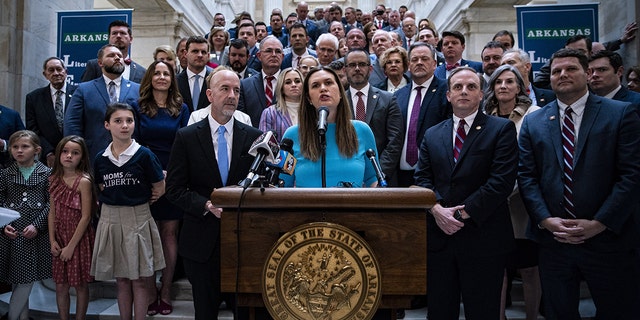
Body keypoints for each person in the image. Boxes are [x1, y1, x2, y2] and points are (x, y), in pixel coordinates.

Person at [518, 48, 640, 319]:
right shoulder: (534, 121)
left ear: (587, 73)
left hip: (608, 239)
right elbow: (527, 177)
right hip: (555, 241)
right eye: (556, 71)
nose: (563, 75)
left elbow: (631, 175)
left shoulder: (621, 114)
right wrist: (546, 220)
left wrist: (599, 223)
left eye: (571, 69)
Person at [414, 67, 518, 319]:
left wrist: (460, 215)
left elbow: (501, 182)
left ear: (482, 94)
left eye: (471, 87)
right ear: (448, 95)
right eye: (458, 87)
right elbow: (422, 179)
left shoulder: (501, 129)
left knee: (483, 311)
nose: (464, 92)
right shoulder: (432, 133)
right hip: (440, 239)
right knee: (439, 311)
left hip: (483, 237)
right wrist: (437, 210)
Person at [166, 67, 263, 320]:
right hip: (201, 242)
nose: (232, 95)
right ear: (209, 94)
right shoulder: (186, 137)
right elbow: (174, 189)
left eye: (236, 90)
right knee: (205, 314)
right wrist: (207, 205)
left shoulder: (254, 138)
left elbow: (262, 185)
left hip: (244, 243)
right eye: (225, 89)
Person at [91, 103, 166, 320]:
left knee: (140, 279)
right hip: (110, 219)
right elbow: (101, 187)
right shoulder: (101, 159)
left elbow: (159, 187)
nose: (124, 125)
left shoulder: (144, 155)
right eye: (118, 121)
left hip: (138, 217)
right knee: (121, 279)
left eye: (129, 121)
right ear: (107, 125)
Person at [484, 64, 541, 320]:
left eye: (509, 81)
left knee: (529, 268)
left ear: (520, 86)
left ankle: (531, 316)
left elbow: (534, 160)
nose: (503, 86)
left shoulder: (534, 114)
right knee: (498, 269)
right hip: (492, 203)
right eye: (498, 82)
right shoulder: (484, 115)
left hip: (522, 202)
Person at [132, 61, 189, 316]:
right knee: (146, 236)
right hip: (144, 178)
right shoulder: (138, 107)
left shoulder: (182, 108)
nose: (162, 77)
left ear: (172, 79)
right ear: (150, 78)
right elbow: (135, 144)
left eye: (167, 73)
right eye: (157, 73)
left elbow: (186, 144)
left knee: (169, 235)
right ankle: (150, 291)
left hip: (174, 178)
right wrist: (154, 178)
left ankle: (165, 290)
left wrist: (168, 179)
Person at [281, 67, 379, 188]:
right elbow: (283, 184)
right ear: (308, 98)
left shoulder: (362, 130)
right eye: (316, 85)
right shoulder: (292, 135)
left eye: (328, 83)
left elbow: (373, 180)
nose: (323, 88)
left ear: (341, 93)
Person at [0, 130, 52, 320]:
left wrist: (37, 225)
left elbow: (50, 203)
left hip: (34, 233)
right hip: (11, 233)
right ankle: (22, 317)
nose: (19, 151)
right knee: (19, 277)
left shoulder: (47, 173)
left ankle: (13, 318)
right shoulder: (6, 173)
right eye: (15, 147)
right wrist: (3, 225)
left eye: (25, 146)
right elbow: (0, 201)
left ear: (37, 150)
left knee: (25, 278)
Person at [64, 44, 141, 161]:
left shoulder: (138, 90)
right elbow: (72, 123)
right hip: (93, 156)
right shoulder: (84, 90)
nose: (117, 58)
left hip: (131, 156)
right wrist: (77, 152)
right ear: (100, 63)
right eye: (111, 55)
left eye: (120, 56)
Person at [47, 135, 96, 320]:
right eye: (65, 152)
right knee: (61, 285)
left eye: (75, 153)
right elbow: (52, 212)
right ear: (59, 154)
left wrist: (71, 247)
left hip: (78, 239)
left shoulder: (84, 181)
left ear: (82, 157)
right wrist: (52, 240)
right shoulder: (53, 179)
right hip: (60, 237)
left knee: (81, 285)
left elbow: (85, 217)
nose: (69, 156)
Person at [394, 43, 450, 187]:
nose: (419, 62)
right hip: (401, 175)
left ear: (434, 64)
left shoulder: (447, 91)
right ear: (408, 65)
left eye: (424, 59)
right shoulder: (398, 96)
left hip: (434, 173)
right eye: (415, 59)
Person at [344, 49, 404, 185]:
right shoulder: (339, 101)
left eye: (362, 64)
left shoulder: (388, 99)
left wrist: (378, 174)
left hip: (382, 179)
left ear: (370, 69)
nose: (357, 69)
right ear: (345, 70)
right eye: (352, 65)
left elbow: (395, 141)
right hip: (347, 178)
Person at [26, 57, 78, 167]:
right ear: (45, 74)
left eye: (59, 69)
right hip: (48, 159)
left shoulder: (80, 93)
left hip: (76, 155)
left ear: (66, 72)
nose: (56, 73)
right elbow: (32, 129)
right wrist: (48, 152)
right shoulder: (34, 98)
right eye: (51, 70)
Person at [238, 35, 284, 127]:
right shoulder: (245, 85)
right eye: (269, 51)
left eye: (278, 51)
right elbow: (241, 118)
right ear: (259, 56)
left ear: (282, 57)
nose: (274, 54)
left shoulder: (291, 84)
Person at [81, 20, 146, 83]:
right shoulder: (94, 65)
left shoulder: (141, 71)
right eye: (114, 33)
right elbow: (84, 91)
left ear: (130, 39)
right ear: (109, 38)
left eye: (122, 33)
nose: (118, 36)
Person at [259, 67, 303, 140]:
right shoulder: (269, 113)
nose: (294, 85)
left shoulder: (313, 110)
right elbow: (265, 145)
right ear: (281, 88)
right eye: (288, 82)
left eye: (297, 81)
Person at [177, 36, 211, 112]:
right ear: (185, 54)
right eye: (195, 51)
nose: (200, 55)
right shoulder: (175, 81)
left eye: (203, 52)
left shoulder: (216, 79)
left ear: (208, 56)